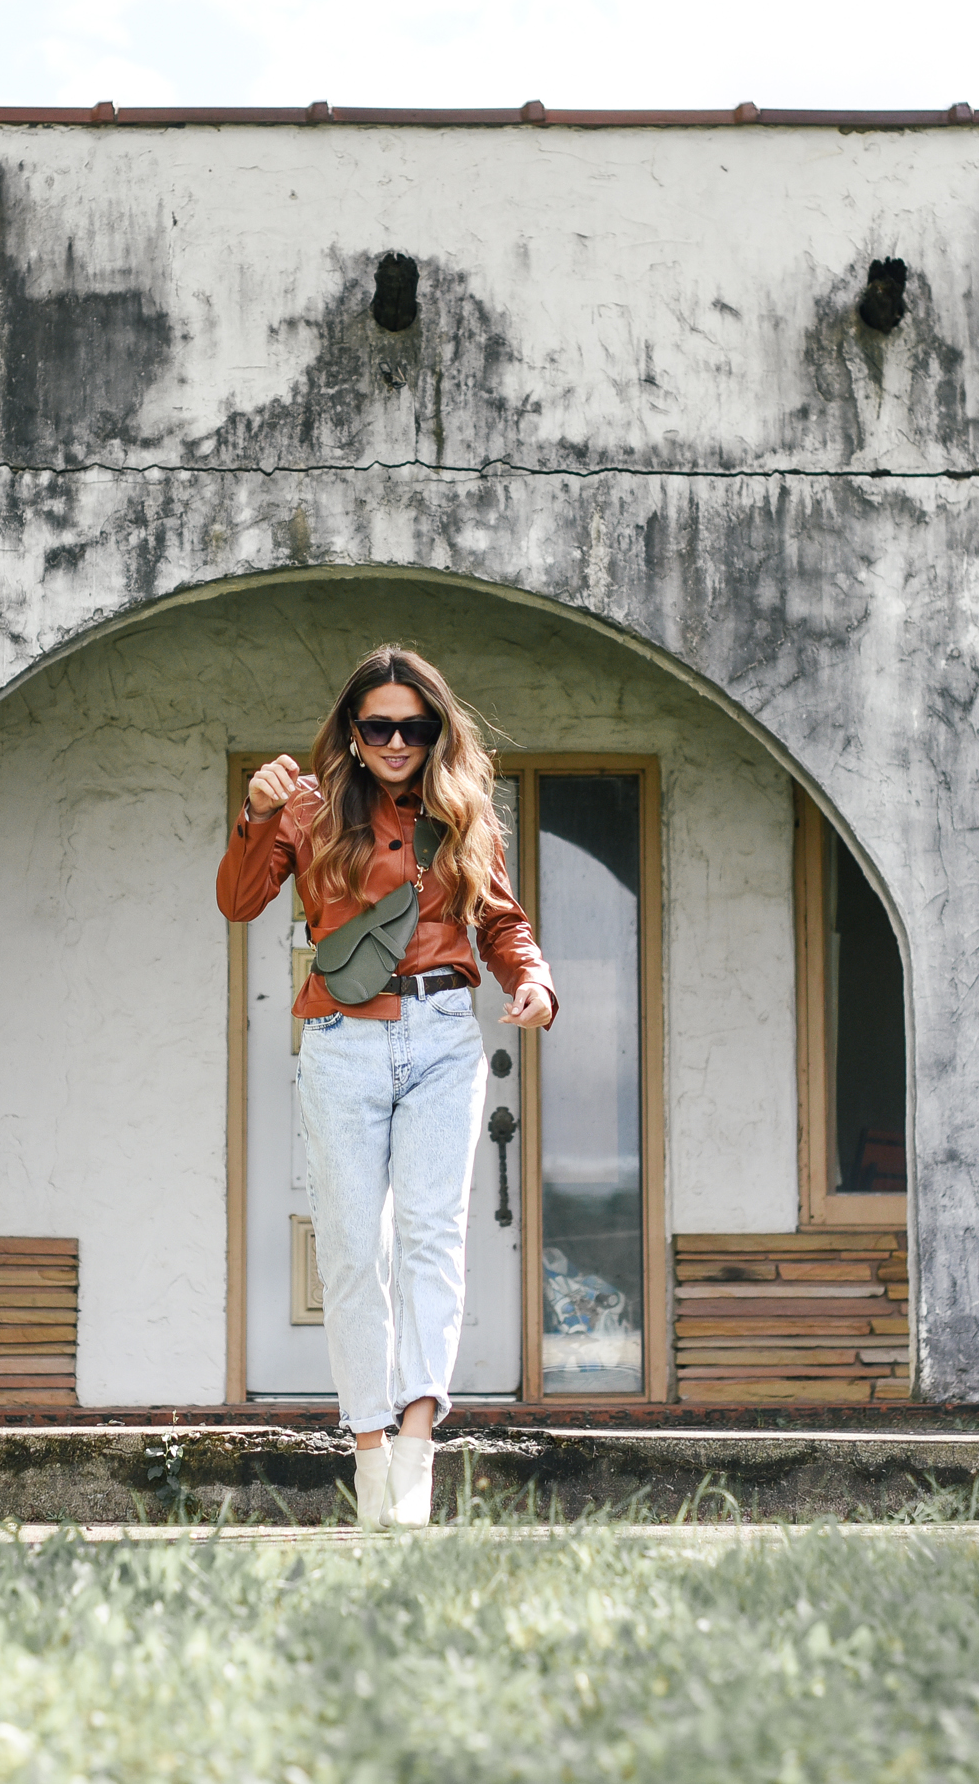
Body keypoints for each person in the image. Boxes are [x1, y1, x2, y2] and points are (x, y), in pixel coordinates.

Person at [217, 646, 556, 1527]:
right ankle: (369, 1453)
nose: (398, 740)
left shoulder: (462, 809)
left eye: (415, 724)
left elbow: (500, 919)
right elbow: (240, 899)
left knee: (431, 1237)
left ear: (435, 729)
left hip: (444, 1033)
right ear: (353, 732)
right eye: (380, 725)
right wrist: (255, 816)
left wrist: (533, 977)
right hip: (342, 1040)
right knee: (351, 1249)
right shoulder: (310, 809)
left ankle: (416, 1445)